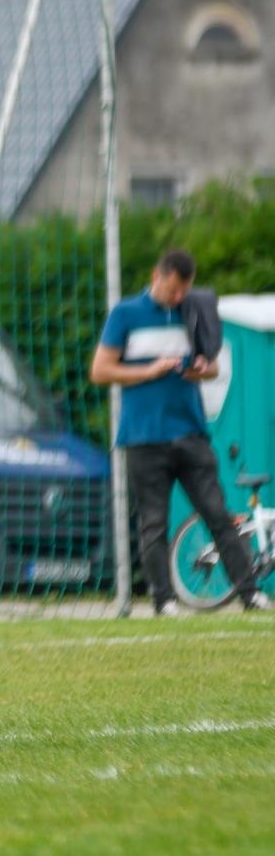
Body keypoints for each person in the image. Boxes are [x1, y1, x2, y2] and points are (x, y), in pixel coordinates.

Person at [90, 249, 271, 616]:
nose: (177, 298)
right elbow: (101, 371)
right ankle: (163, 600)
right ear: (157, 276)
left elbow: (213, 365)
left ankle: (249, 593)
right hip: (144, 437)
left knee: (219, 514)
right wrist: (149, 371)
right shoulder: (125, 314)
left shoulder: (194, 308)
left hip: (190, 432)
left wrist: (201, 369)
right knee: (154, 522)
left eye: (183, 291)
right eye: (173, 290)